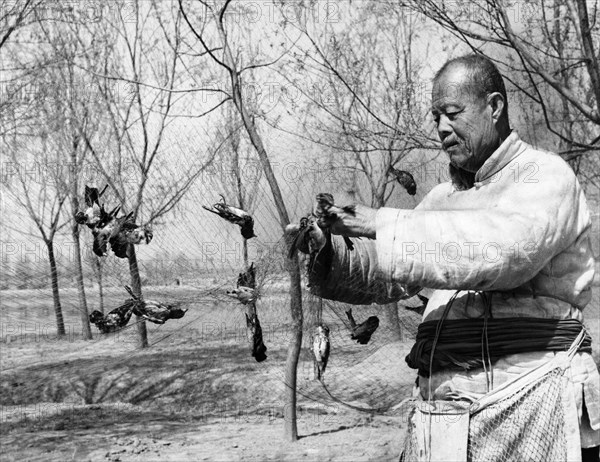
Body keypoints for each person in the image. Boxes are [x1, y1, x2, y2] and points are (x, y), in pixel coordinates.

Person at [301, 54, 599, 461]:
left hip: (531, 403)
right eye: (436, 116)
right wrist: (327, 250)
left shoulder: (544, 176)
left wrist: (380, 222)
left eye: (453, 113)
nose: (442, 128)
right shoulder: (443, 197)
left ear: (494, 107)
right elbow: (393, 273)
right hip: (443, 413)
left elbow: (503, 252)